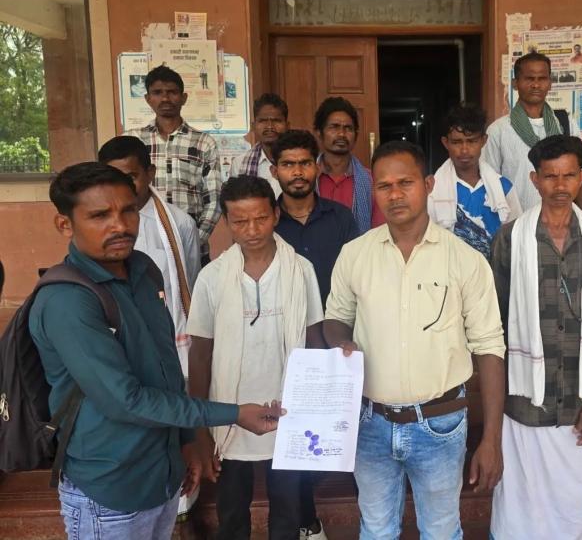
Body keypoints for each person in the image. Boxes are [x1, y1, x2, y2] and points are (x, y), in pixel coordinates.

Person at [28, 162, 282, 540]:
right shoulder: (67, 301)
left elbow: (166, 370)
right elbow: (127, 401)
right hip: (110, 489)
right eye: (100, 216)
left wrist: (186, 441)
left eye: (128, 210)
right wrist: (233, 414)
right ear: (65, 224)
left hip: (161, 474)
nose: (120, 225)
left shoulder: (144, 270)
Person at [323, 141, 506, 539]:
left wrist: (492, 438)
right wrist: (340, 342)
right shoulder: (354, 255)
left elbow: (490, 348)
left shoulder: (465, 260)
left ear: (428, 184)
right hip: (370, 422)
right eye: (384, 185)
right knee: (376, 530)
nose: (395, 194)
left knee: (441, 531)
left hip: (441, 423)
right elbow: (336, 318)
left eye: (405, 183)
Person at [489, 135, 582, 540]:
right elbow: (494, 323)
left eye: (569, 176)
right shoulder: (510, 239)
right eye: (550, 177)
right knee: (519, 504)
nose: (560, 186)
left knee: (570, 503)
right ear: (535, 180)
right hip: (523, 400)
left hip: (578, 401)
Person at [186, 175, 324, 540]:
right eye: (240, 221)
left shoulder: (300, 270)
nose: (251, 230)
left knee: (288, 512)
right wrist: (201, 430)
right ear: (227, 222)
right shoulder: (212, 277)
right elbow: (200, 356)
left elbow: (315, 341)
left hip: (288, 412)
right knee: (232, 514)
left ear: (276, 214)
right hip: (229, 416)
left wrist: (318, 412)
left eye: (260, 218)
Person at [270, 129, 358, 540]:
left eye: (305, 163)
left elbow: (358, 277)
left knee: (346, 424)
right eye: (288, 164)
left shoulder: (340, 218)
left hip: (338, 337)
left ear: (316, 167)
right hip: (286, 344)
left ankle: (364, 506)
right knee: (294, 434)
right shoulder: (266, 222)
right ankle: (307, 521)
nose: (297, 172)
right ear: (275, 171)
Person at [98, 135, 201, 374]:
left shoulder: (180, 224)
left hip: (166, 334)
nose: (122, 187)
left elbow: (190, 281)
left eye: (131, 177)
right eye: (113, 178)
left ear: (150, 173)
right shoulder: (96, 227)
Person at [125, 65, 222, 263]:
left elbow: (214, 200)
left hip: (193, 249)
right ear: (148, 98)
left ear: (183, 98)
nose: (165, 99)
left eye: (172, 92)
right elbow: (120, 193)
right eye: (157, 93)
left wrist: (193, 240)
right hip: (142, 247)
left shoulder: (203, 142)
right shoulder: (132, 140)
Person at [483, 52, 582, 213]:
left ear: (550, 83)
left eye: (542, 78)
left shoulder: (566, 124)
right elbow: (489, 184)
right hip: (515, 222)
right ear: (515, 83)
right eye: (529, 79)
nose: (536, 85)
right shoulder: (498, 131)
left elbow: (581, 179)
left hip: (561, 223)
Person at [428, 105, 522, 258]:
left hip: (494, 271)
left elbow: (517, 238)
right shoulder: (432, 190)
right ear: (446, 143)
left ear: (484, 141)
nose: (464, 150)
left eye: (471, 141)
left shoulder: (503, 188)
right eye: (457, 142)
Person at [313, 96, 385, 234]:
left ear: (356, 136)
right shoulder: (307, 178)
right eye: (334, 127)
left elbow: (379, 232)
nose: (341, 134)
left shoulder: (371, 181)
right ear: (319, 133)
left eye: (348, 128)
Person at [230, 93, 289, 197]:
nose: (270, 127)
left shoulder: (300, 160)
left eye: (276, 120)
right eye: (263, 121)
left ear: (287, 125)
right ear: (253, 126)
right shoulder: (239, 164)